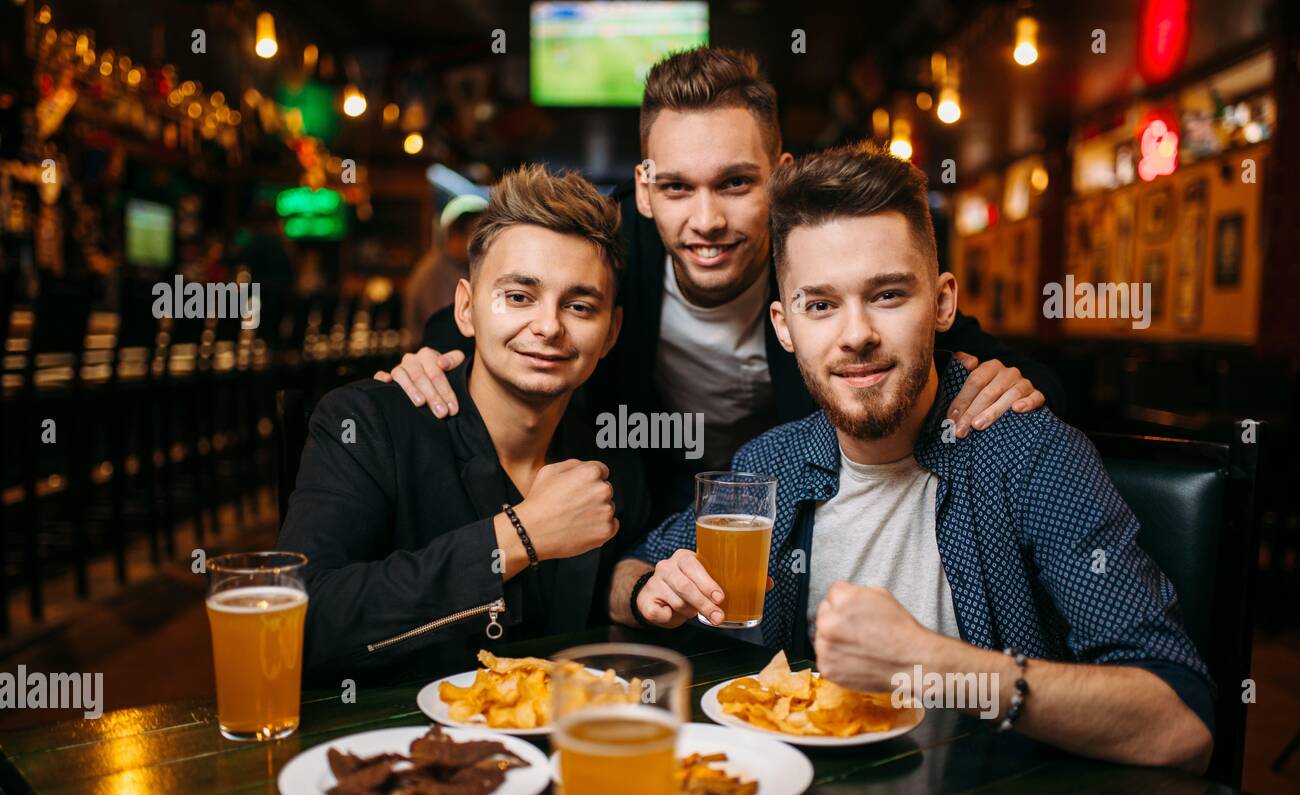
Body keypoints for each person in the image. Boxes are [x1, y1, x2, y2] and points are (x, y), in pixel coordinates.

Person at [616, 142, 1214, 772]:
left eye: (888, 295)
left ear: (943, 303)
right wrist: (650, 589)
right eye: (820, 305)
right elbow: (632, 574)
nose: (856, 335)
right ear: (784, 325)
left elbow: (1181, 724)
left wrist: (936, 665)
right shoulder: (774, 462)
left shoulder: (1029, 455)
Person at [376, 48, 1060, 523]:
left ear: (781, 177)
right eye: (677, 187)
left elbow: (962, 345)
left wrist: (1018, 379)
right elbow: (494, 313)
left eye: (735, 183)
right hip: (644, 508)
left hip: (803, 503)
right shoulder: (607, 250)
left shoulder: (819, 255)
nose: (706, 221)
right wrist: (428, 358)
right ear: (644, 189)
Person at [277, 166, 646, 680]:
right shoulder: (365, 424)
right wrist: (516, 538)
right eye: (518, 297)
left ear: (610, 333)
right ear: (466, 310)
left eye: (580, 305)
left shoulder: (612, 462)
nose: (547, 326)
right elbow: (297, 621)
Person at [401, 193, 487, 342]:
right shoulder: (434, 272)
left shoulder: (456, 267)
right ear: (457, 236)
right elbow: (446, 327)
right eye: (477, 236)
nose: (483, 245)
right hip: (434, 357)